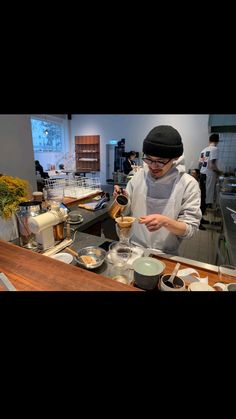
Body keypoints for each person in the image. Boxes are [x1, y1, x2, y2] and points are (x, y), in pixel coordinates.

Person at [113, 125, 201, 255]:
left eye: (160, 161)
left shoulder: (188, 184)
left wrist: (165, 222)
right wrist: (123, 200)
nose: (153, 166)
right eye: (149, 159)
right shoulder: (138, 177)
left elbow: (190, 229)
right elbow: (125, 213)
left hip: (166, 255)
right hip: (134, 250)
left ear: (175, 158)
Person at [199, 133, 221, 225]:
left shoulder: (203, 150)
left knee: (203, 198)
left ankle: (200, 219)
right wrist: (219, 171)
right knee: (205, 199)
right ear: (217, 141)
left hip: (202, 174)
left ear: (209, 140)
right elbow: (212, 165)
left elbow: (200, 164)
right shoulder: (215, 149)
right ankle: (199, 221)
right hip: (209, 176)